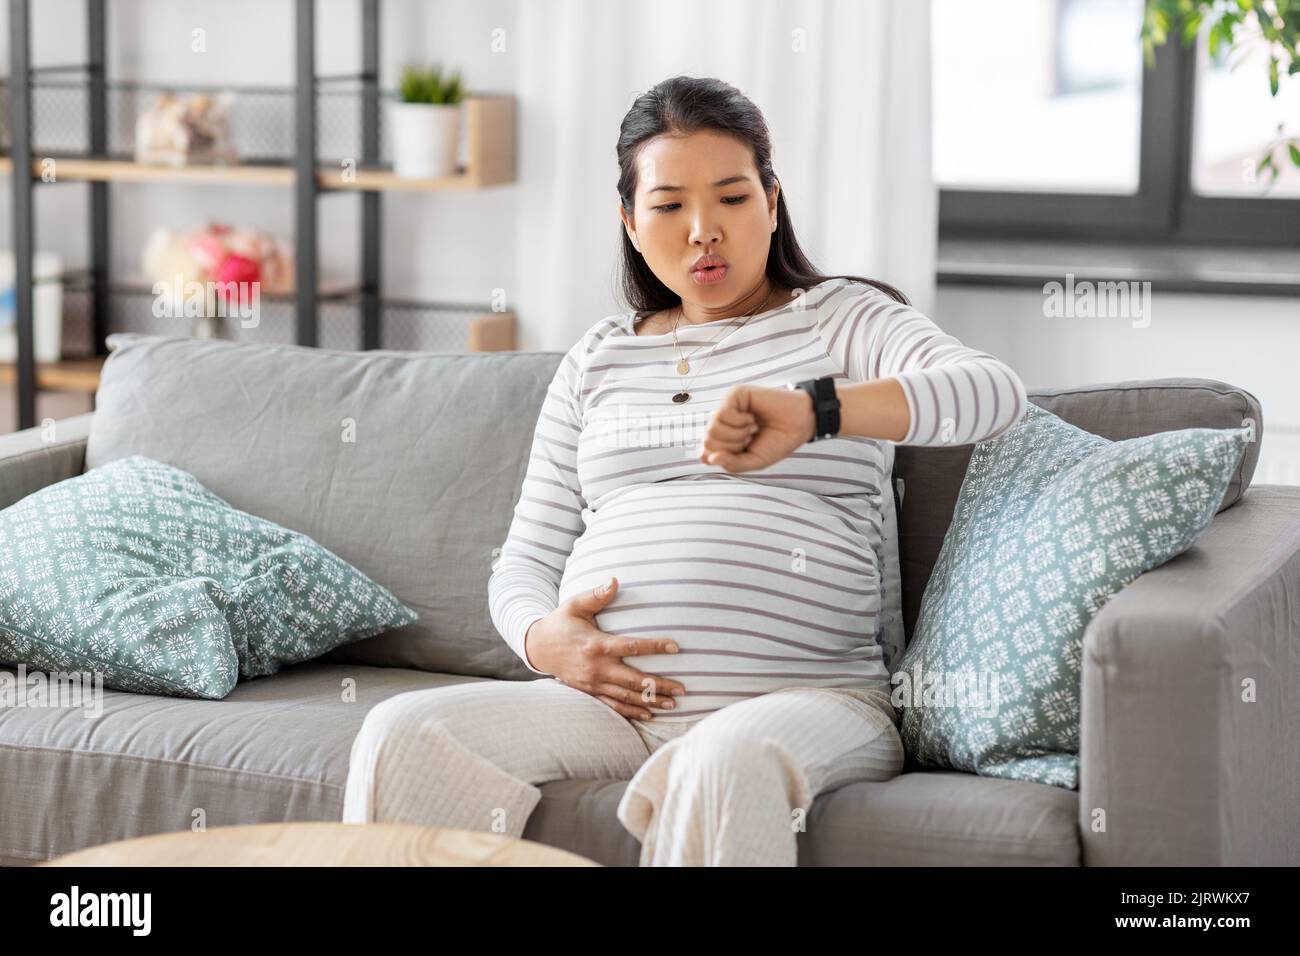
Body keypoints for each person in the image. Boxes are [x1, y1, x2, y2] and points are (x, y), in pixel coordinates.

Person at [342, 75, 1027, 866]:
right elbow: (524, 560)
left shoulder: (841, 320)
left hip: (810, 701)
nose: (705, 230)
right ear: (631, 222)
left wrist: (817, 412)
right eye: (669, 206)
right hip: (608, 706)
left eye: (732, 198)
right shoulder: (598, 359)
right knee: (404, 731)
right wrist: (545, 641)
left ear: (772, 201)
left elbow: (992, 394)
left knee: (724, 759)